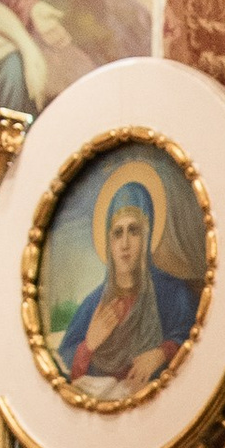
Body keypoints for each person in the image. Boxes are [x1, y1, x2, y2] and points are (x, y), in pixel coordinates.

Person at [59, 168, 197, 394]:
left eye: (134, 231)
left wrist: (163, 352)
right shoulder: (93, 304)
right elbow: (61, 365)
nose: (124, 244)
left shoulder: (174, 292)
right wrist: (89, 345)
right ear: (108, 242)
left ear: (147, 235)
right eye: (117, 233)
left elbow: (194, 335)